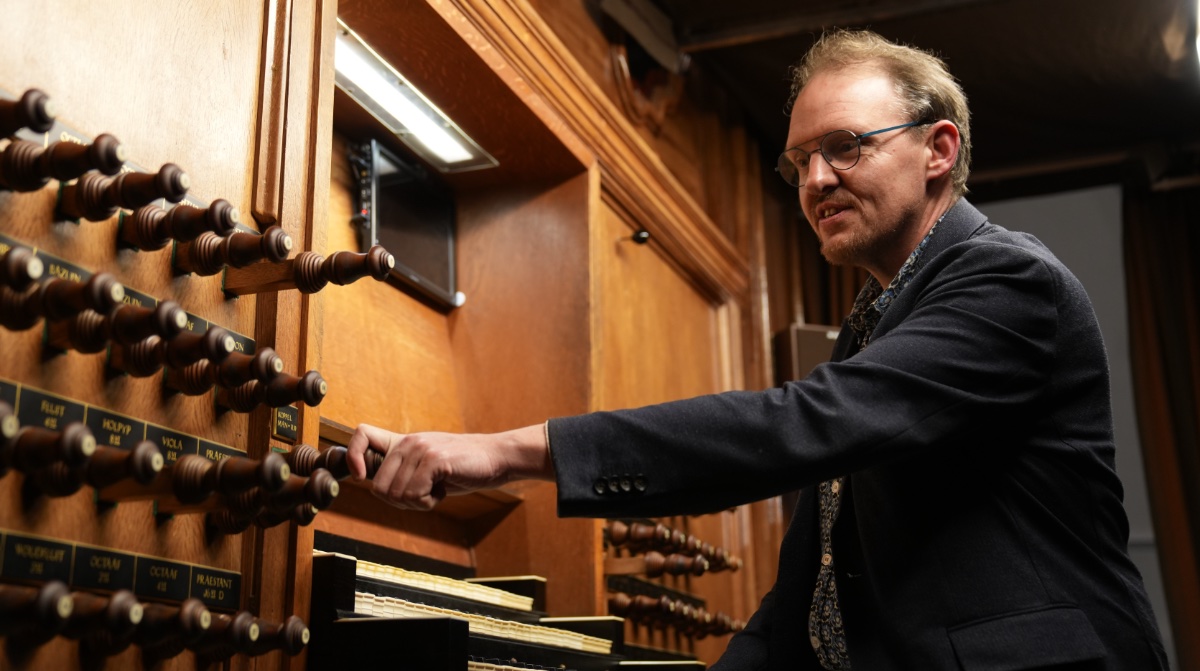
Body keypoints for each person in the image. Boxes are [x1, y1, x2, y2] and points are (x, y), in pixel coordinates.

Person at [346, 29, 1169, 670]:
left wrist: (503, 451)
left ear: (938, 150)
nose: (814, 181)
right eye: (799, 161)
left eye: (844, 146)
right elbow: (814, 591)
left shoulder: (1006, 280)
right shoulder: (874, 316)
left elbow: (797, 424)